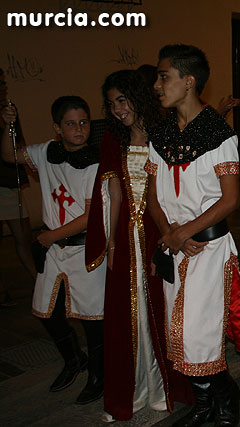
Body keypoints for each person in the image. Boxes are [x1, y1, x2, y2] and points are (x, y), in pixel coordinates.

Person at [146, 44, 240, 427]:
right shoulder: (159, 134)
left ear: (189, 80)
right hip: (174, 243)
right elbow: (152, 195)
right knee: (177, 331)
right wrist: (169, 234)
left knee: (200, 332)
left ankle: (226, 401)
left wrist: (185, 234)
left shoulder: (218, 133)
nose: (157, 85)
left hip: (207, 247)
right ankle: (205, 404)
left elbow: (230, 200)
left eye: (165, 76)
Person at [85, 70, 192, 422]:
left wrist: (167, 237)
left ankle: (164, 387)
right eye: (112, 103)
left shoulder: (164, 134)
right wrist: (113, 243)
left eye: (123, 100)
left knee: (160, 310)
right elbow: (112, 192)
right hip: (126, 234)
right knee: (124, 316)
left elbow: (172, 189)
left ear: (138, 97)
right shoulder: (112, 141)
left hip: (158, 230)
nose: (117, 109)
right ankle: (128, 395)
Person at [1, 96, 106, 404]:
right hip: (54, 249)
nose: (79, 130)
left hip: (84, 250)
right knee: (45, 310)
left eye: (84, 123)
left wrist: (50, 236)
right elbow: (9, 154)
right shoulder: (46, 152)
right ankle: (74, 359)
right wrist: (7, 124)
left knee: (91, 318)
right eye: (71, 124)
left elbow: (89, 217)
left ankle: (99, 375)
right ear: (57, 127)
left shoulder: (95, 162)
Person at [0, 67, 36, 307]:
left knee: (23, 234)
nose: (3, 87)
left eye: (4, 83)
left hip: (9, 180)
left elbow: (19, 143)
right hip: (1, 182)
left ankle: (38, 280)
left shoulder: (10, 109)